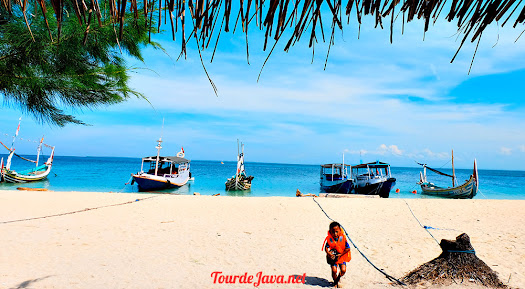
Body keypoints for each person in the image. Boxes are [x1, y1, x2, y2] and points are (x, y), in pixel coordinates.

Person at [323, 221, 351, 287]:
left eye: (337, 232)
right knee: (334, 270)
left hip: (341, 256)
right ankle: (335, 282)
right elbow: (326, 247)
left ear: (340, 230)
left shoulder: (343, 238)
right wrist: (328, 253)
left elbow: (348, 248)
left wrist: (340, 254)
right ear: (330, 231)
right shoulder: (330, 239)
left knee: (343, 270)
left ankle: (338, 278)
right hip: (333, 258)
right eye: (333, 232)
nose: (335, 234)